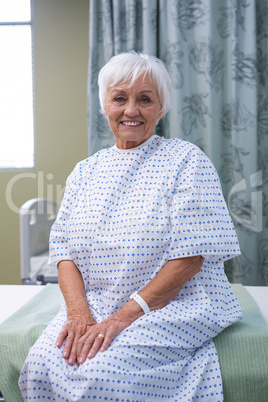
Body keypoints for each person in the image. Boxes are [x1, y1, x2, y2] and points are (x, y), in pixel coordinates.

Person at [19, 52, 242, 401]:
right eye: (120, 98)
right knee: (42, 365)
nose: (132, 110)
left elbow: (190, 258)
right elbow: (64, 254)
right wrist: (79, 314)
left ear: (161, 107)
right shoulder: (85, 171)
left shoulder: (186, 160)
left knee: (99, 376)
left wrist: (121, 319)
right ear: (104, 104)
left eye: (145, 99)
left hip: (173, 305)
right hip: (96, 303)